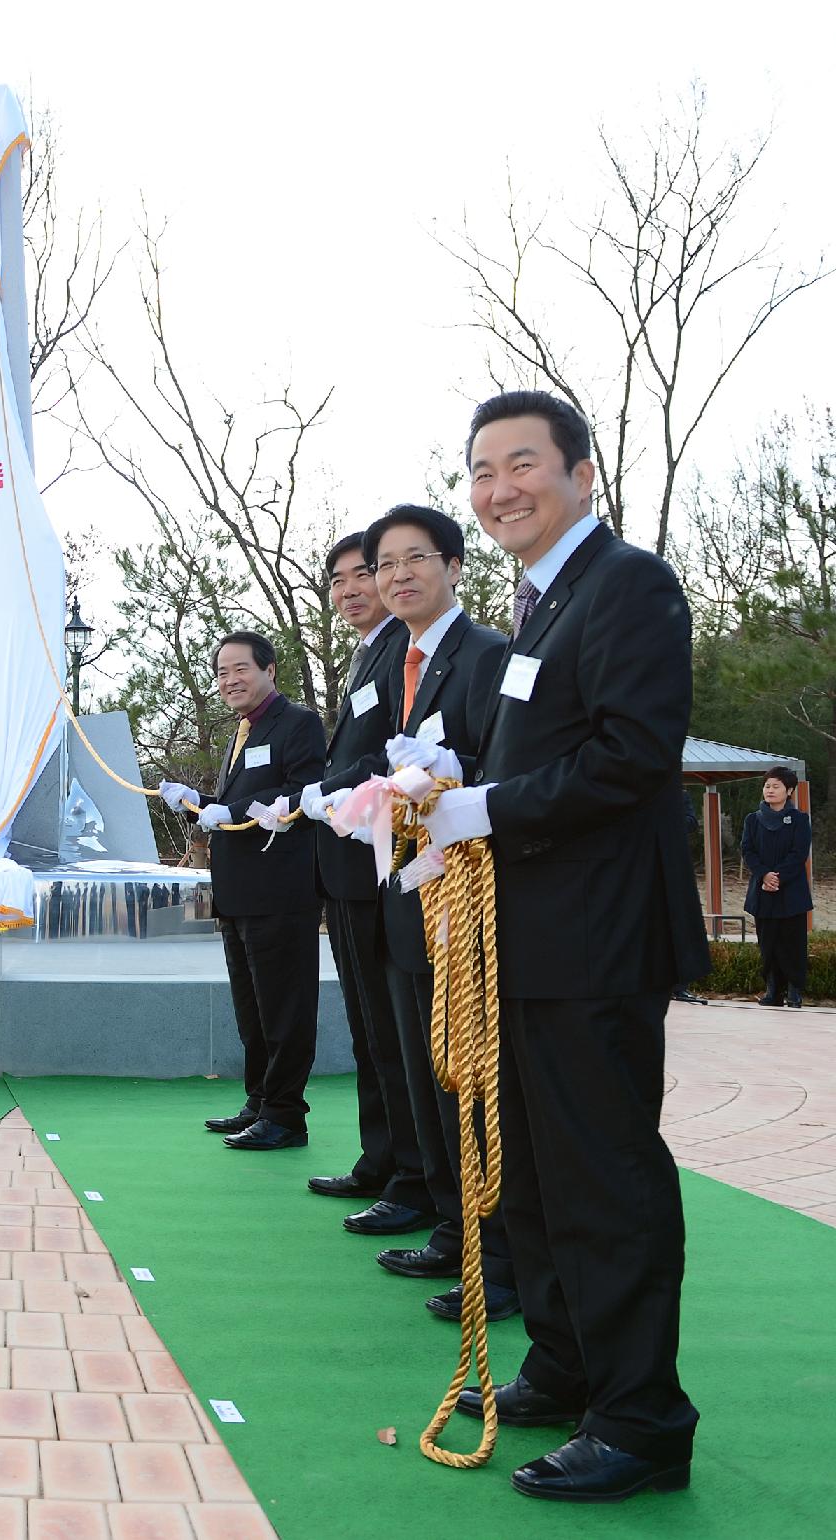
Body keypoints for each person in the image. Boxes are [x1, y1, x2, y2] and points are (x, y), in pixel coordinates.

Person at [428, 390, 707, 1502]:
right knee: (537, 1172)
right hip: (525, 940)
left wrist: (486, 810)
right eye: (482, 471)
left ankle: (640, 1419)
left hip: (596, 939)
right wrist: (444, 792)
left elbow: (635, 754)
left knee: (603, 1174)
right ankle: (567, 1361)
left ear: (580, 473)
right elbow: (522, 762)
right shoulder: (539, 607)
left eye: (522, 463)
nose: (499, 489)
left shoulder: (626, 584)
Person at [355, 504, 519, 1327]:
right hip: (412, 890)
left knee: (472, 1072)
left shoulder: (488, 654)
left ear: (454, 566)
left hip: (469, 896)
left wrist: (455, 772)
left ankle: (501, 1255)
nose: (398, 576)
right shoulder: (399, 661)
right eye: (385, 565)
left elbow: (513, 761)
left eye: (415, 558)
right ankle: (456, 1231)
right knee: (429, 1067)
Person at [299, 532, 425, 1232]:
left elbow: (384, 752)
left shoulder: (399, 651)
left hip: (378, 861)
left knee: (390, 1025)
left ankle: (411, 1174)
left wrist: (328, 787)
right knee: (370, 1026)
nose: (349, 590)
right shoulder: (367, 655)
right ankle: (383, 1160)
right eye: (339, 580)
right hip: (347, 861)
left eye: (361, 575)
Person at [159, 631, 326, 1151]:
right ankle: (259, 1100)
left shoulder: (297, 724)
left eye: (241, 669)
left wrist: (229, 811)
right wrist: (198, 801)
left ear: (270, 670)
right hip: (237, 895)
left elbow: (303, 793)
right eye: (222, 672)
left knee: (284, 1005)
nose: (230, 681)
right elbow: (243, 798)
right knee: (251, 1007)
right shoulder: (242, 732)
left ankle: (285, 1114)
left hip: (281, 891)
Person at [742, 766, 812, 1008]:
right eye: (767, 786)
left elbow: (798, 853)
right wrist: (764, 875)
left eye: (776, 786)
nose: (770, 790)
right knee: (768, 942)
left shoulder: (800, 820)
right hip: (763, 891)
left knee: (792, 943)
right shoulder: (753, 819)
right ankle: (773, 990)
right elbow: (748, 851)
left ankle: (794, 991)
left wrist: (778, 877)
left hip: (791, 891)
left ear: (789, 790)